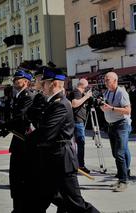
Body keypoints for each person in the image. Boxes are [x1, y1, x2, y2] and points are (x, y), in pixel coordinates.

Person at [27, 67, 99, 212]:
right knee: (43, 198)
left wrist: (27, 139)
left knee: (76, 204)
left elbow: (47, 133)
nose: (42, 86)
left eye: (45, 83)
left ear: (53, 84)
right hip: (52, 161)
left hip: (62, 161)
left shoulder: (60, 104)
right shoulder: (52, 102)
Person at [0, 69, 35, 212]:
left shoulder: (28, 96)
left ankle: (21, 207)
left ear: (26, 82)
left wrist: (6, 125)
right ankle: (18, 207)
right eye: (14, 79)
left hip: (24, 143)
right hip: (18, 141)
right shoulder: (17, 96)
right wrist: (6, 129)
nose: (15, 81)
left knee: (21, 178)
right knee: (16, 178)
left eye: (18, 79)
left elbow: (22, 118)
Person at [100, 72, 132, 192]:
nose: (105, 82)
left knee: (119, 153)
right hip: (111, 125)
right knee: (117, 153)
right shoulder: (108, 91)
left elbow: (128, 110)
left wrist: (111, 108)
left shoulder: (121, 92)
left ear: (115, 80)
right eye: (105, 80)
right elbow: (107, 105)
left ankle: (123, 181)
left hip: (121, 125)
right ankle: (122, 175)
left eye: (107, 80)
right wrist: (103, 107)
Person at [68, 79, 92, 174]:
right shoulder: (77, 92)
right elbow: (74, 104)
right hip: (77, 122)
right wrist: (86, 97)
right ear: (83, 87)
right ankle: (80, 165)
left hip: (77, 121)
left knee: (76, 144)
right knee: (80, 143)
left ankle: (77, 164)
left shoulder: (76, 92)